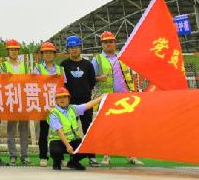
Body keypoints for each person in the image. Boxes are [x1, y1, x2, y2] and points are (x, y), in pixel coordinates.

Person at [92, 31, 143, 166]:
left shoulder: (122, 57)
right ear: (101, 44)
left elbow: (130, 75)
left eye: (111, 41)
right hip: (106, 98)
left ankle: (131, 155)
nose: (108, 44)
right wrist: (98, 78)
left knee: (128, 128)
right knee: (107, 128)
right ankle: (106, 156)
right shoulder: (97, 59)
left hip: (125, 97)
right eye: (105, 42)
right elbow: (90, 78)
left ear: (115, 43)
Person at [59, 35, 98, 165]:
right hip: (69, 104)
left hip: (85, 102)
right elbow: (61, 83)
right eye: (71, 47)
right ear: (67, 49)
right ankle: (70, 156)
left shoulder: (87, 64)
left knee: (88, 129)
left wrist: (85, 91)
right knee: (69, 130)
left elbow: (92, 81)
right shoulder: (64, 65)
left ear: (80, 48)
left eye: (76, 47)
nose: (74, 50)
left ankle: (91, 156)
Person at [47, 87, 105, 170]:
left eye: (64, 97)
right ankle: (57, 162)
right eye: (59, 97)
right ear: (56, 101)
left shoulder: (73, 109)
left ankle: (73, 162)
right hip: (58, 141)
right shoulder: (54, 113)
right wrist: (68, 146)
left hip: (73, 140)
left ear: (69, 99)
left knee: (87, 147)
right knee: (56, 151)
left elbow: (88, 105)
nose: (62, 99)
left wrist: (102, 97)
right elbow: (59, 131)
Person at [2, 39, 31, 165]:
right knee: (11, 130)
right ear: (8, 51)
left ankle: (24, 155)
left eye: (15, 49)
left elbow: (31, 80)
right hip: (10, 100)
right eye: (11, 49)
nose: (13, 51)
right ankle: (13, 155)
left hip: (23, 100)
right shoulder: (3, 66)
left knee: (24, 130)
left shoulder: (25, 65)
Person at [34, 42, 61, 167]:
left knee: (58, 131)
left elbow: (63, 86)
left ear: (54, 54)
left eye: (51, 52)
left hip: (58, 105)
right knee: (43, 132)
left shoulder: (61, 69)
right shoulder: (37, 68)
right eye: (46, 52)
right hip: (44, 104)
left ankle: (58, 158)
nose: (48, 54)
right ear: (42, 55)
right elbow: (33, 84)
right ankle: (43, 156)